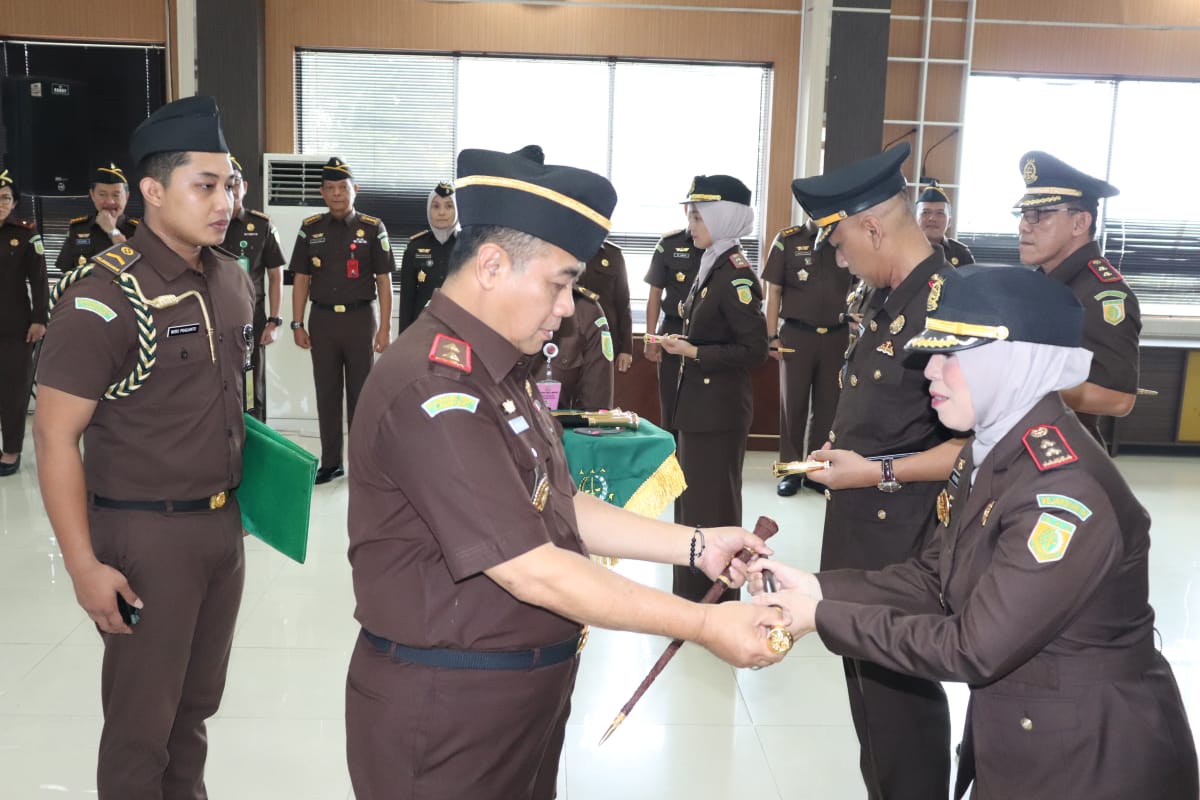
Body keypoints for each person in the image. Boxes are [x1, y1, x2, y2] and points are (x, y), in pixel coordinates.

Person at [343, 147, 789, 800]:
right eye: (558, 284)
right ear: (492, 266)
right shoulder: (436, 387)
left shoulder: (500, 368)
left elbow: (557, 504)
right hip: (450, 709)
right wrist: (701, 624)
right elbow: (532, 567)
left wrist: (696, 545)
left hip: (516, 697)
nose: (566, 308)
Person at [750, 265, 1199, 800]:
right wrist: (815, 588)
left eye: (951, 355)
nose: (930, 371)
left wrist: (819, 617)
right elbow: (934, 577)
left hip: (1092, 759)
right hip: (1029, 738)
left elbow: (972, 647)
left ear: (1016, 362)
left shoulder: (1063, 491)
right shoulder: (990, 451)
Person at [33, 96, 253, 800]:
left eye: (230, 185)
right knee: (141, 727)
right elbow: (54, 436)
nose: (224, 202)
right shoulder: (103, 296)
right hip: (144, 537)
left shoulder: (230, 279)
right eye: (205, 186)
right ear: (152, 192)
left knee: (193, 710)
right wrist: (83, 566)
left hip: (221, 528)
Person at [790, 142, 959, 799]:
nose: (840, 260)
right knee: (871, 711)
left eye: (840, 245)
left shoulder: (948, 306)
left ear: (872, 227)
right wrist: (846, 446)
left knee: (901, 713)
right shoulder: (889, 300)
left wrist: (876, 472)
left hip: (908, 545)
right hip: (863, 534)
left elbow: (974, 448)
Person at [659, 175, 768, 603]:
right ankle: (690, 602)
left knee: (712, 512)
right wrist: (686, 345)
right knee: (691, 511)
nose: (691, 227)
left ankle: (714, 605)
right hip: (698, 408)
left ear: (723, 218)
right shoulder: (712, 265)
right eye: (691, 217)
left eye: (699, 217)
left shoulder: (736, 275)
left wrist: (695, 352)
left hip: (718, 413)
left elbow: (754, 350)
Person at [1014, 151, 1139, 446]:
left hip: (1066, 452)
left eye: (1039, 214)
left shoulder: (1101, 294)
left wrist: (1017, 385)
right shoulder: (1044, 283)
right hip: (1026, 443)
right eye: (1023, 214)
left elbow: (1119, 399)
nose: (1024, 226)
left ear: (1080, 223)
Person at [289, 157, 394, 483]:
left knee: (362, 395)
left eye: (342, 188)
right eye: (330, 188)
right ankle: (331, 462)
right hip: (322, 321)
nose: (337, 194)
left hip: (360, 319)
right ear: (322, 192)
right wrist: (297, 323)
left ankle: (363, 463)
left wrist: (385, 327)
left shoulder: (372, 228)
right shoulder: (310, 228)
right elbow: (301, 278)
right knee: (327, 393)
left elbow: (384, 280)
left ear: (355, 189)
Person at [762, 215, 852, 496]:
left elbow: (861, 285)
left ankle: (815, 471)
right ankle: (791, 471)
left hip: (837, 335)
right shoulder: (787, 240)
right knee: (793, 407)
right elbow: (773, 291)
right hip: (796, 335)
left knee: (828, 407)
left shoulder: (846, 237)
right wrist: (771, 337)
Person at [223, 154, 286, 422]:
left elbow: (275, 274)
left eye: (235, 183)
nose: (231, 190)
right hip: (214, 315)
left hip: (252, 316)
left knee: (251, 385)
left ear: (245, 187)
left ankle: (254, 433)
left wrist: (274, 320)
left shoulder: (261, 225)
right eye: (225, 184)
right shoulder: (204, 225)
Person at [0, 171, 48, 476]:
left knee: (13, 393)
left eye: (5, 198)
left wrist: (39, 318)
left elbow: (39, 280)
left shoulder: (26, 233)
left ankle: (11, 451)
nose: (0, 204)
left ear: (15, 202)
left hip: (15, 328)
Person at [643, 217, 702, 432]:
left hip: (707, 332)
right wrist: (651, 339)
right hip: (673, 329)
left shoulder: (720, 245)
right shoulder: (669, 244)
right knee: (671, 402)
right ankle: (673, 450)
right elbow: (655, 294)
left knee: (702, 403)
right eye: (693, 211)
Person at [529, 285, 613, 411]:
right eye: (558, 283)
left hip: (556, 422)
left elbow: (595, 408)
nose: (568, 308)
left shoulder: (585, 311)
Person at [397, 181, 458, 334]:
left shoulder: (469, 246)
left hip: (459, 327)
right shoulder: (415, 247)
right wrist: (404, 339)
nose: (442, 212)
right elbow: (407, 299)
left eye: (449, 206)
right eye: (436, 206)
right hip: (422, 326)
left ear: (458, 209)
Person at [55, 164, 140, 272]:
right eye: (102, 194)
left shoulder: (140, 230)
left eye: (116, 195)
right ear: (92, 195)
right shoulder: (78, 228)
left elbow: (141, 269)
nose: (109, 201)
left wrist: (112, 231)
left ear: (127, 196)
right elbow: (67, 273)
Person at [579, 239, 634, 375]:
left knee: (599, 385)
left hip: (603, 338)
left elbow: (623, 303)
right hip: (567, 336)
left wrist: (626, 348)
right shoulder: (562, 248)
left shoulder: (613, 254)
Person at [917, 180, 974, 267]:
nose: (932, 218)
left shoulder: (962, 254)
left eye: (940, 213)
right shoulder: (901, 251)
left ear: (949, 221)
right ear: (915, 219)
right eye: (926, 212)